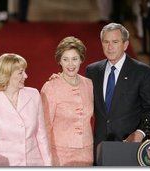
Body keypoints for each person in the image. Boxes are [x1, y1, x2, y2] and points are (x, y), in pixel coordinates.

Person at [85, 23, 150, 164]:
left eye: (115, 42)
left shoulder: (143, 73)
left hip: (130, 148)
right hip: (99, 148)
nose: (110, 47)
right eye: (106, 42)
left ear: (125, 44)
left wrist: (140, 133)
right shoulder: (92, 71)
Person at [0, 53, 52, 166]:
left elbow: (42, 136)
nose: (26, 76)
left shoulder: (34, 94)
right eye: (21, 73)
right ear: (7, 75)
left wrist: (49, 165)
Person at [41, 36, 94, 166]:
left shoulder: (89, 84)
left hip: (86, 153)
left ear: (81, 59)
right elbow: (44, 127)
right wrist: (46, 160)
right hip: (60, 155)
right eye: (66, 59)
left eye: (75, 59)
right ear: (60, 61)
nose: (71, 64)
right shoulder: (51, 87)